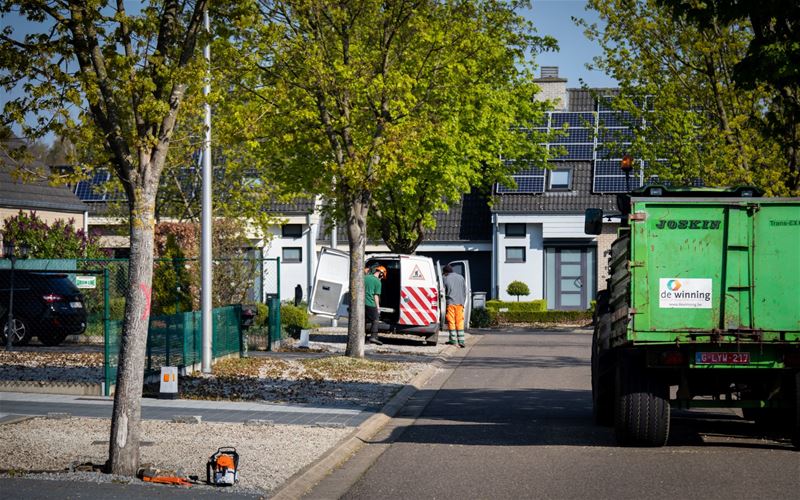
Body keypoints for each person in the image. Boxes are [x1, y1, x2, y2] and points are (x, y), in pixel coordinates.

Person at [442, 264, 466, 347]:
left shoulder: (445, 278)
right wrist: (463, 302)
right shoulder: (461, 277)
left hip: (451, 303)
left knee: (451, 321)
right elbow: (464, 291)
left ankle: (452, 340)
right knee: (460, 321)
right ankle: (461, 341)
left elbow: (442, 291)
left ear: (445, 272)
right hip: (460, 303)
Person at [364, 265, 386, 345]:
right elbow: (376, 296)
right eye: (382, 276)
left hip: (362, 303)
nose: (382, 278)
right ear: (381, 273)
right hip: (370, 303)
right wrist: (378, 307)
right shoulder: (378, 282)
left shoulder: (365, 277)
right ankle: (373, 337)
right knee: (375, 319)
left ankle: (365, 338)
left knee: (365, 320)